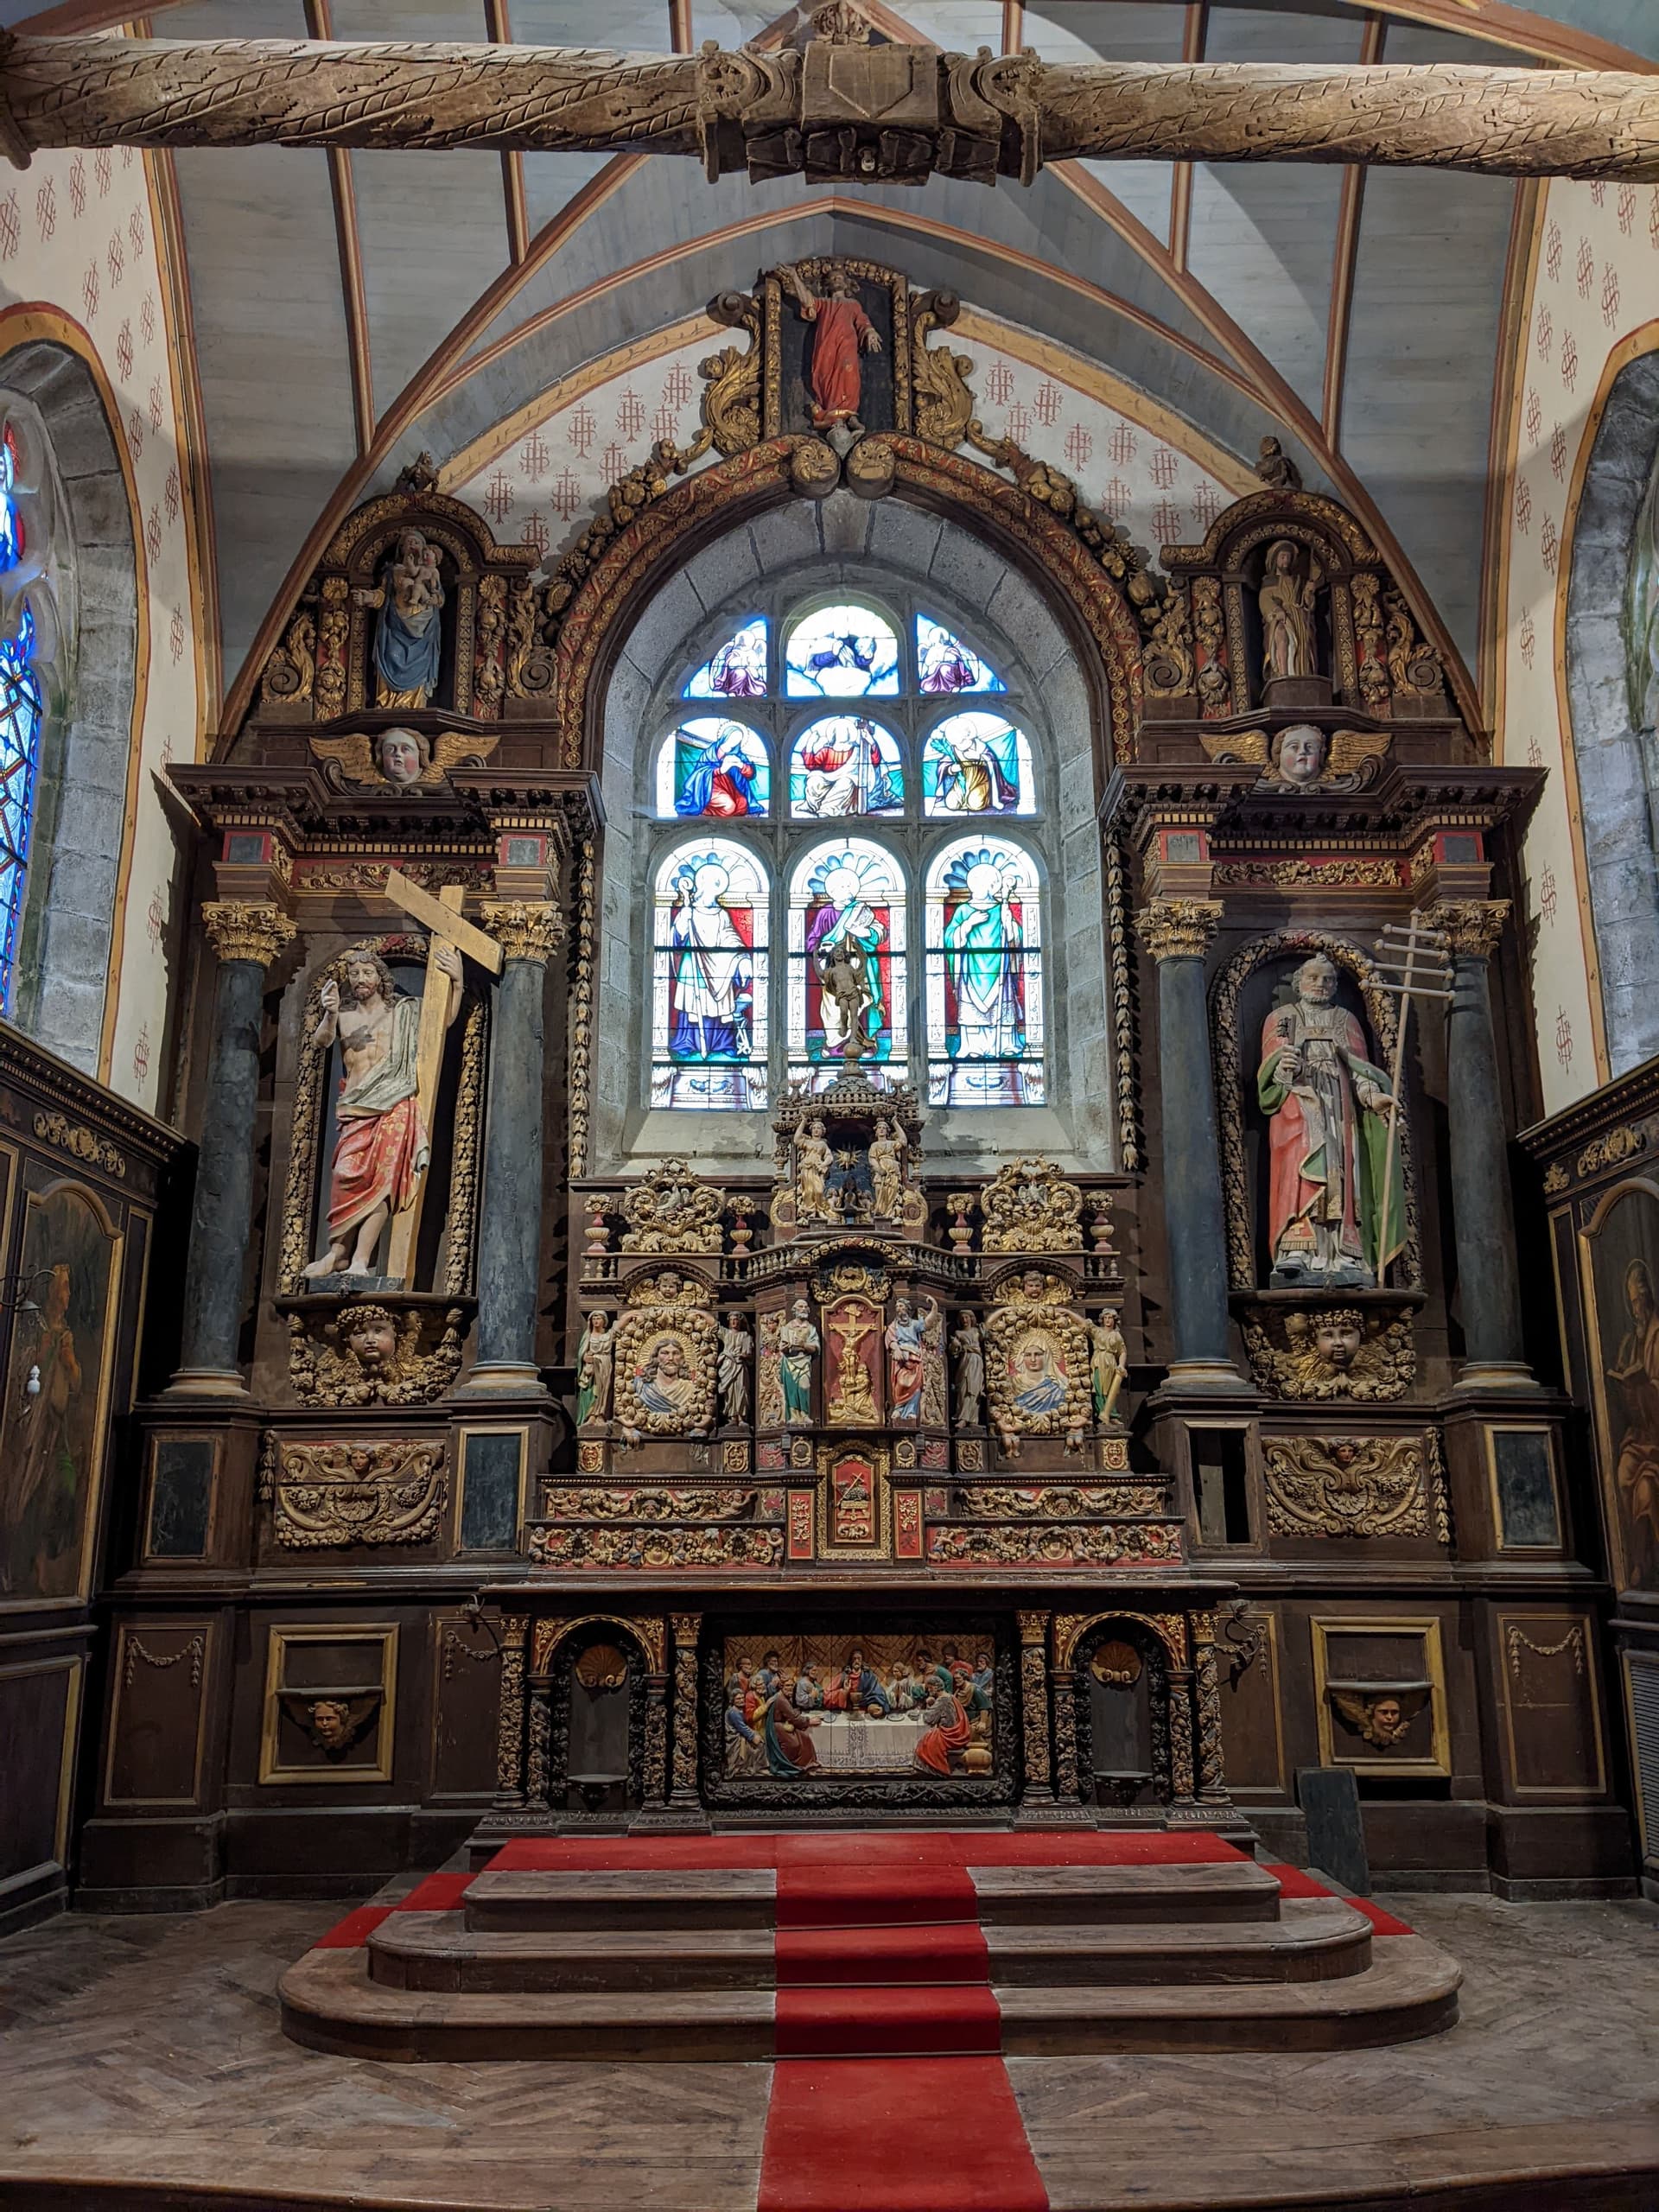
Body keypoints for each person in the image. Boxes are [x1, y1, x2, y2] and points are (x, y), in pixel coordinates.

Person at [303, 941, 461, 1279]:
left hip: (394, 1105)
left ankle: (359, 1259)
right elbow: (321, 1042)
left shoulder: (403, 1012)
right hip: (356, 1108)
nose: (360, 978)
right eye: (354, 973)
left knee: (383, 1181)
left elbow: (442, 1021)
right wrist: (330, 1013)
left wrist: (458, 982)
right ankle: (338, 1254)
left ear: (381, 978)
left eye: (366, 972)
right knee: (345, 1174)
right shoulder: (344, 1015)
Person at [1258, 953, 1399, 1288]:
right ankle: (1296, 1249)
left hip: (1337, 1108)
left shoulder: (1345, 1020)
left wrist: (1372, 1096)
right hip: (1297, 1109)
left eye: (1328, 979)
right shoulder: (1282, 1018)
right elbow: (1270, 1074)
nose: (1321, 984)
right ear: (1299, 983)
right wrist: (1283, 1067)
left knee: (1340, 1176)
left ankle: (1342, 1253)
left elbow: (1360, 1069)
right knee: (1298, 1172)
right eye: (1313, 977)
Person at [3, 1262, 81, 1598]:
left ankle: (43, 1562)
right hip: (34, 1425)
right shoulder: (35, 1324)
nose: (67, 1295)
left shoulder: (67, 1334)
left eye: (68, 1289)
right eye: (63, 1288)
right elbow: (24, 1370)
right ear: (51, 1292)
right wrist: (46, 1351)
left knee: (64, 1486)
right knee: (27, 1492)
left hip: (56, 1427)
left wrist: (69, 1361)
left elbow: (76, 1383)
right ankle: (19, 1566)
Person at [666, 856, 754, 1080]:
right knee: (692, 1006)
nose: (713, 889)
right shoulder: (690, 911)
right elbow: (677, 939)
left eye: (717, 885)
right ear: (701, 884)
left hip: (719, 966)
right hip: (693, 966)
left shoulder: (721, 914)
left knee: (720, 1005)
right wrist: (683, 921)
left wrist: (742, 959)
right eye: (710, 883)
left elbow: (730, 937)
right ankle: (687, 1042)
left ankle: (723, 1044)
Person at [944, 858, 1026, 1067]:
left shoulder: (1000, 909)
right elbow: (950, 938)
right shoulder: (963, 910)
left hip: (999, 966)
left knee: (1002, 1006)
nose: (979, 887)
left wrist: (1008, 923)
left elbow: (1015, 936)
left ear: (992, 886)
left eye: (984, 884)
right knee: (972, 1010)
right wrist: (967, 925)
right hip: (972, 967)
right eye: (976, 883)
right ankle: (974, 1047)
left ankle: (1005, 1044)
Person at [782, 262, 882, 432]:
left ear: (846, 283)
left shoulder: (853, 304)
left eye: (839, 278)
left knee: (849, 376)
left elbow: (862, 320)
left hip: (846, 345)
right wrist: (794, 277)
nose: (836, 280)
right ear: (828, 284)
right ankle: (832, 415)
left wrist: (870, 331)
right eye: (833, 278)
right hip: (826, 346)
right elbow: (806, 300)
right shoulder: (823, 303)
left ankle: (849, 415)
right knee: (825, 376)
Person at [1608, 1257, 1659, 1584]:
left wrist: (1647, 1387)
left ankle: (1644, 1563)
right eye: (1634, 1302)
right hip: (1638, 1435)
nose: (1639, 1307)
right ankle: (1637, 1560)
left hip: (1657, 1433)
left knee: (1646, 1488)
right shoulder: (1629, 1343)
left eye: (1642, 1299)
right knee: (1624, 1474)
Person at [357, 527, 445, 707]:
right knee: (391, 655)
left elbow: (439, 596)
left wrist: (436, 599)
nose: (412, 545)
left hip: (423, 628)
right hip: (395, 626)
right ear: (402, 549)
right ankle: (387, 703)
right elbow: (383, 595)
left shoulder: (429, 571)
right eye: (408, 543)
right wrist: (370, 598)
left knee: (419, 665)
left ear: (424, 549)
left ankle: (415, 705)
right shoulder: (392, 572)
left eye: (416, 542)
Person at [1258, 537, 1322, 683]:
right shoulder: (1269, 581)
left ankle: (1304, 676)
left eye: (1288, 557)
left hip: (1299, 617)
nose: (1285, 560)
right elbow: (1264, 600)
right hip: (1280, 618)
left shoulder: (1298, 581)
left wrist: (1309, 593)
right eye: (1282, 557)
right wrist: (1277, 611)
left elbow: (1308, 605)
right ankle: (1282, 674)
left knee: (1305, 643)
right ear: (1275, 559)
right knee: (1281, 634)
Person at [677, 722, 759, 817]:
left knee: (743, 805)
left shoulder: (739, 755)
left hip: (729, 785)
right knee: (729, 806)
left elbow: (750, 774)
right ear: (726, 735)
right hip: (710, 785)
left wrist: (740, 765)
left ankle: (709, 808)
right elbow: (699, 772)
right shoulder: (710, 752)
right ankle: (704, 810)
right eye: (734, 737)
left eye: (738, 739)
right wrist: (721, 770)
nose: (735, 741)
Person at [779, 1298, 818, 1426]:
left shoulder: (811, 1328)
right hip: (790, 1361)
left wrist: (803, 1345)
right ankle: (794, 1415)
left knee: (804, 1386)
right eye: (800, 1307)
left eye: (805, 1307)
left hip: (804, 1361)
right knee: (791, 1389)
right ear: (794, 1310)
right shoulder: (787, 1327)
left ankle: (804, 1414)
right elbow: (782, 1347)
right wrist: (786, 1347)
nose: (803, 1309)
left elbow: (815, 1348)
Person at [886, 1297, 926, 1423]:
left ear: (907, 1308)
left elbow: (927, 1324)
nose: (899, 1309)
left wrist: (935, 1306)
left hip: (915, 1358)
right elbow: (890, 1339)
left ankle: (911, 1411)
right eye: (897, 1307)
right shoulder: (894, 1326)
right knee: (901, 1383)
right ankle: (899, 1407)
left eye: (901, 1306)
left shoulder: (914, 1324)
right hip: (901, 1358)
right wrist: (896, 1348)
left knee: (916, 1385)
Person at [575, 1310, 614, 1425]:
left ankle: (600, 1415)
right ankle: (590, 1416)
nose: (596, 1321)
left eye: (598, 1318)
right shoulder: (588, 1336)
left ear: (604, 1321)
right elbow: (581, 1353)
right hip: (591, 1371)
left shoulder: (608, 1335)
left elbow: (618, 1327)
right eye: (594, 1318)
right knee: (590, 1392)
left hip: (604, 1366)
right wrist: (585, 1357)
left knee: (603, 1391)